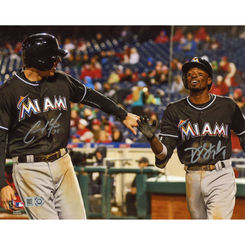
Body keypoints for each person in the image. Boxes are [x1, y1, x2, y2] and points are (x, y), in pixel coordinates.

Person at [0, 33, 139, 219]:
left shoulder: (61, 81)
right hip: (30, 171)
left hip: (63, 163)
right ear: (40, 60)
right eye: (53, 58)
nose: (57, 61)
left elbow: (91, 96)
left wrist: (122, 114)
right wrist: (2, 184)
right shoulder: (9, 92)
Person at [137, 57, 245, 219]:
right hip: (192, 176)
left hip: (220, 174)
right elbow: (163, 154)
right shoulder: (174, 110)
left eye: (199, 73)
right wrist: (153, 139)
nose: (193, 76)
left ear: (209, 80)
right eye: (189, 74)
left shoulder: (227, 106)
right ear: (185, 81)